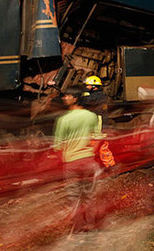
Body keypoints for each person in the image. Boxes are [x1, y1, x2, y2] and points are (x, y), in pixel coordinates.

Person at [53, 86, 102, 233]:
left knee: (74, 197)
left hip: (71, 162)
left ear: (75, 98)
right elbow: (98, 137)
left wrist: (64, 157)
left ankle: (78, 227)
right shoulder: (92, 116)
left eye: (67, 96)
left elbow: (57, 146)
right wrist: (90, 153)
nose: (64, 98)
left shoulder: (63, 120)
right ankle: (91, 225)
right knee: (90, 195)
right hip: (88, 161)